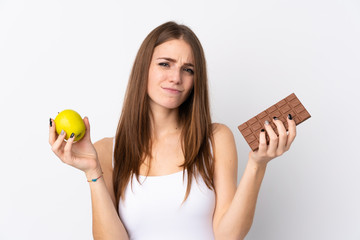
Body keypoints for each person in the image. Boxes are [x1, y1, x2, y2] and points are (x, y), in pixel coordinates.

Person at [49, 21, 297, 240]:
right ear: (143, 68)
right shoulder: (106, 151)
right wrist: (92, 172)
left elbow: (228, 236)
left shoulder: (215, 139)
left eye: (188, 69)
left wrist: (257, 164)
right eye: (165, 64)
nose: (176, 77)